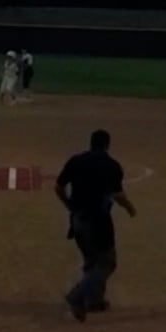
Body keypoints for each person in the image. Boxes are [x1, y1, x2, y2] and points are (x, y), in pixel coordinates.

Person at [54, 129, 136, 321]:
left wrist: (69, 205)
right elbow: (118, 195)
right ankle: (77, 296)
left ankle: (94, 301)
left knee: (91, 261)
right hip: (98, 221)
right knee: (107, 262)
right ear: (107, 145)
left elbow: (58, 187)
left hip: (77, 219)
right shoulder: (112, 166)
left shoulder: (76, 161)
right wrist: (130, 208)